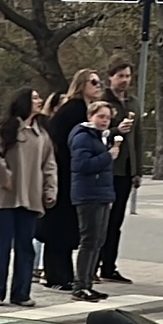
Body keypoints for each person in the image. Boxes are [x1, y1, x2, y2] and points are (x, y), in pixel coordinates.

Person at [0, 86, 56, 308]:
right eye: (35, 98)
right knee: (2, 245)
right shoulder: (6, 127)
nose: (39, 101)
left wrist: (50, 190)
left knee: (25, 247)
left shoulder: (42, 134)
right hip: (5, 196)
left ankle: (21, 293)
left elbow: (49, 165)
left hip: (30, 197)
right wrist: (5, 175)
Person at [41, 69, 103, 290]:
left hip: (74, 175)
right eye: (93, 82)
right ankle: (56, 275)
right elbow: (57, 140)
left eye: (99, 82)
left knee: (68, 227)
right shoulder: (71, 110)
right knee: (59, 225)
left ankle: (65, 274)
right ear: (81, 84)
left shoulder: (87, 110)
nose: (98, 86)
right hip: (64, 173)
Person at [69, 101, 120, 303]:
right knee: (89, 240)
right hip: (88, 193)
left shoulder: (101, 137)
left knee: (98, 240)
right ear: (91, 116)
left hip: (101, 192)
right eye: (101, 117)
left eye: (107, 118)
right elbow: (81, 164)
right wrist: (107, 156)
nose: (104, 121)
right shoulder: (83, 137)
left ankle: (88, 282)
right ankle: (80, 284)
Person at [99, 56, 139, 282]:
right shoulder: (104, 101)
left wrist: (137, 170)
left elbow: (138, 136)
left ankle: (109, 265)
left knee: (116, 221)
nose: (125, 80)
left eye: (128, 76)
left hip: (125, 169)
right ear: (111, 77)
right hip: (107, 168)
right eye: (120, 76)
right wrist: (116, 129)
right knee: (101, 220)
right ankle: (93, 264)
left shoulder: (133, 102)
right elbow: (98, 129)